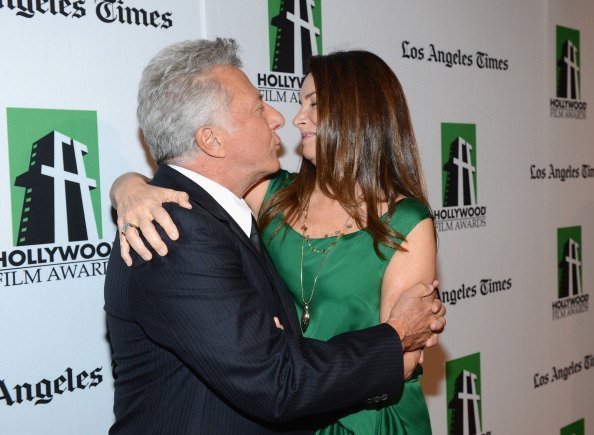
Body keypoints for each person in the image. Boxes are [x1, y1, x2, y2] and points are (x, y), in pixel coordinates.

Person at [105, 38, 445, 434]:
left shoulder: (403, 221)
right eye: (259, 106)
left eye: (314, 104)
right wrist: (128, 188)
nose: (289, 118)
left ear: (359, 114)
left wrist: (128, 187)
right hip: (301, 397)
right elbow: (276, 381)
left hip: (362, 413)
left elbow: (404, 361)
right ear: (212, 139)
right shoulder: (251, 205)